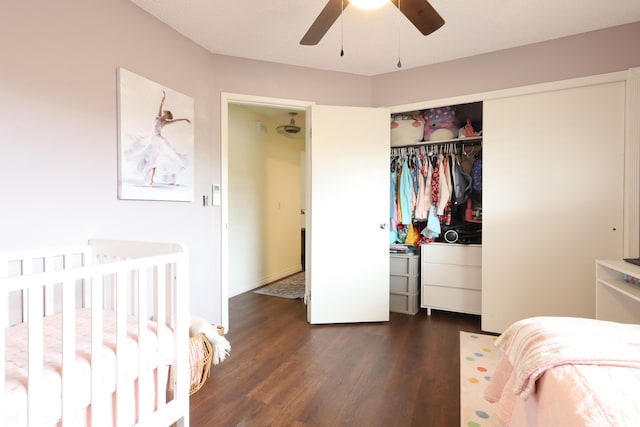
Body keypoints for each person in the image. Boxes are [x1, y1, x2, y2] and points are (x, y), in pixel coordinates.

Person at [135, 90, 191, 187]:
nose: (164, 113)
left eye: (166, 114)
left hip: (158, 141)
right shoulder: (158, 117)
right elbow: (161, 106)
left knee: (155, 160)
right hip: (151, 139)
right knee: (147, 158)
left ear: (167, 116)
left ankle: (151, 180)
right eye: (164, 113)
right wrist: (164, 97)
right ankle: (149, 178)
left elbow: (175, 121)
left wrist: (185, 119)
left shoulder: (164, 122)